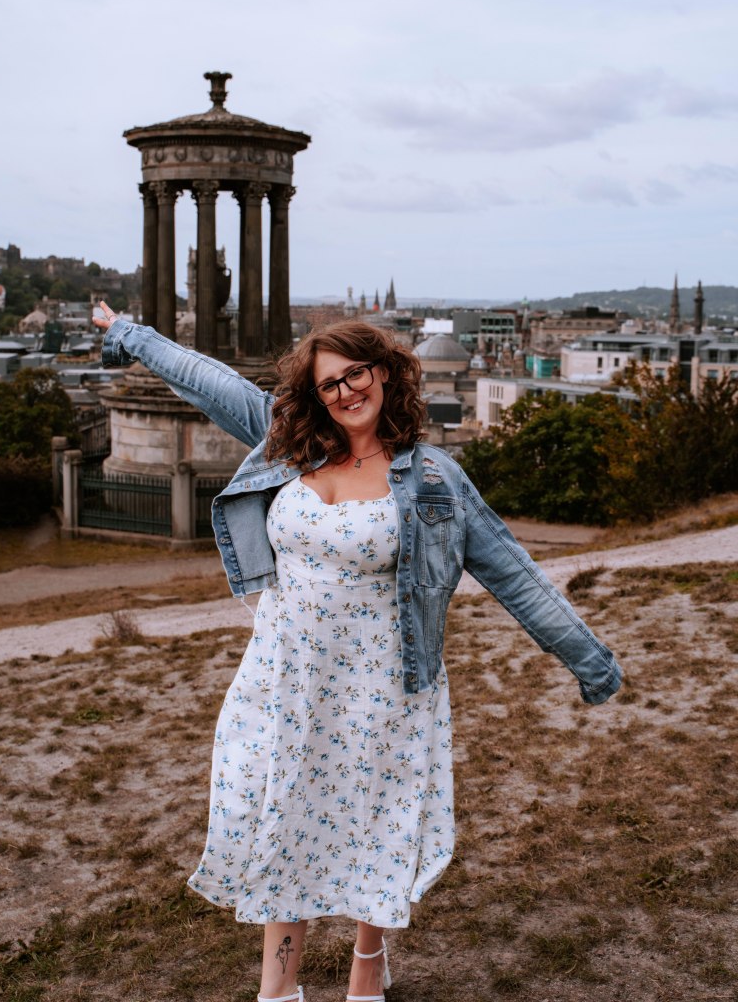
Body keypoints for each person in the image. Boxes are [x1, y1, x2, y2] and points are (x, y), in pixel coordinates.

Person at [94, 302, 622, 1002]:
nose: (345, 391)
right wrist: (126, 333)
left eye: (356, 374)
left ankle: (367, 961)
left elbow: (514, 575)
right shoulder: (288, 444)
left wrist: (592, 664)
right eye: (329, 383)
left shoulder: (433, 478)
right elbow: (208, 381)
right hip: (286, 680)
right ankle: (278, 986)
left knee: (378, 823)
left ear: (385, 374)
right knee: (281, 816)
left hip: (386, 687)